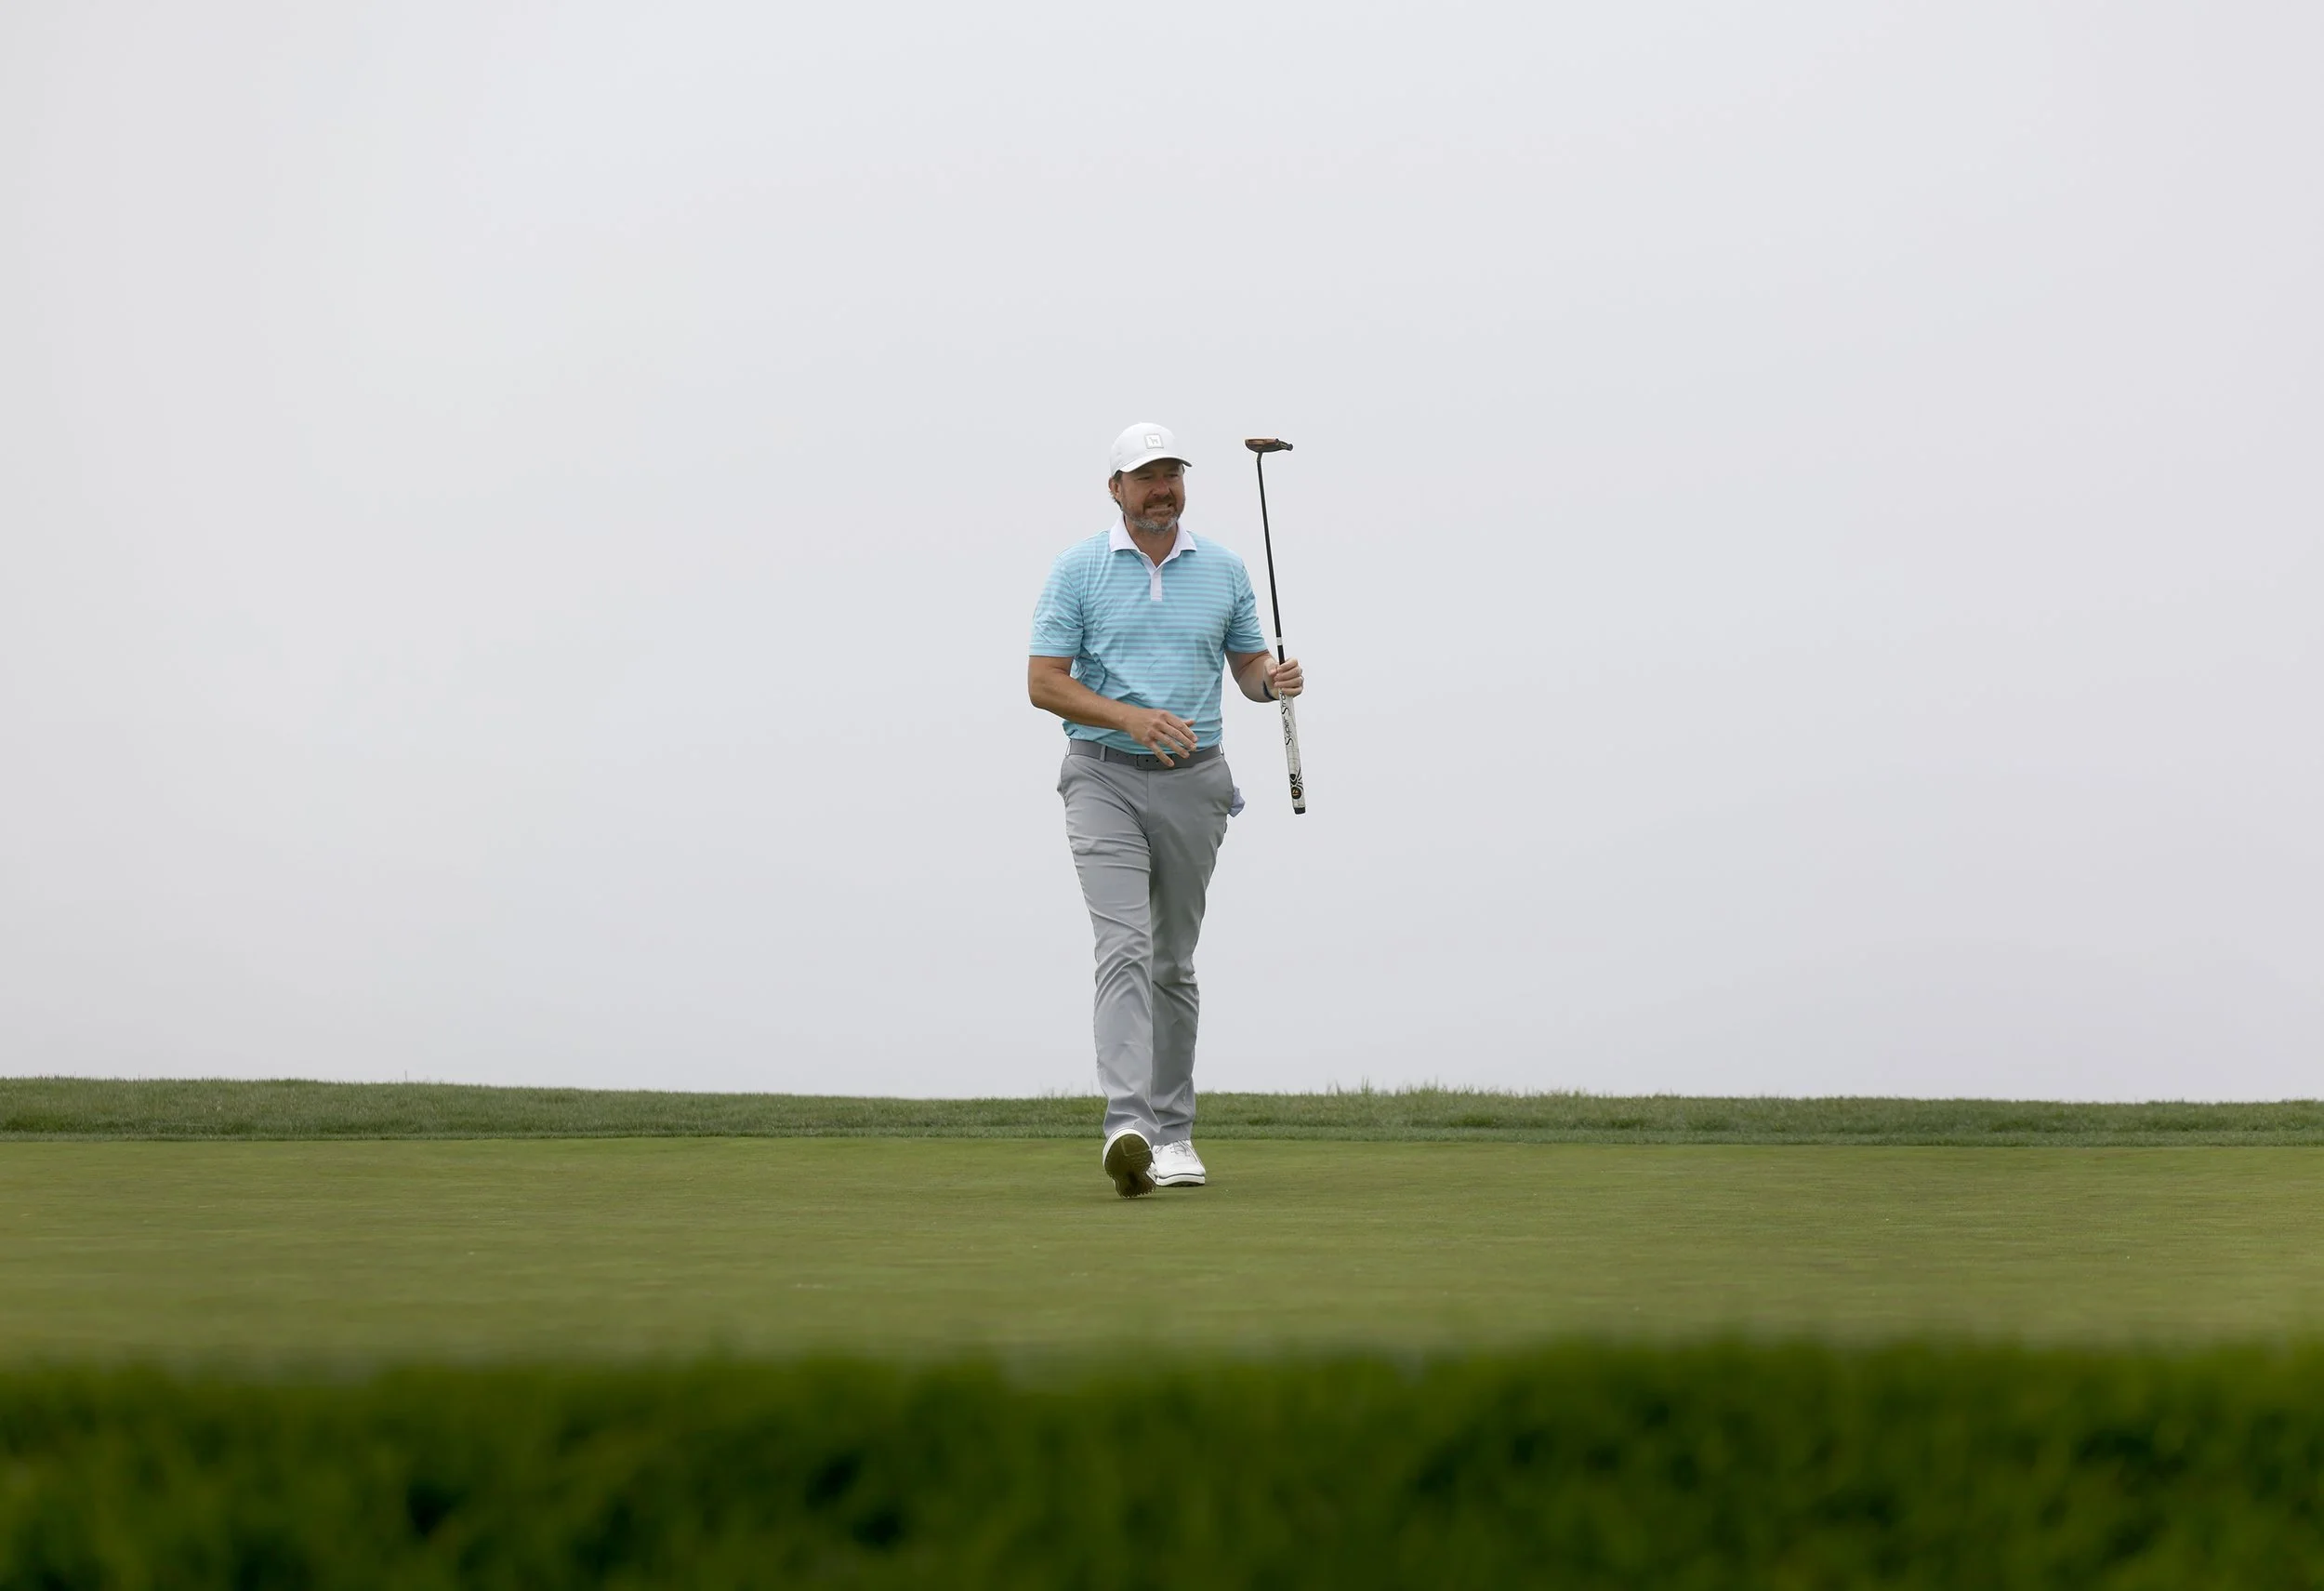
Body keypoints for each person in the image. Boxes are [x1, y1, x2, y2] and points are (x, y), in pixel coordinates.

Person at [1027, 422, 1305, 1198]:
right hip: (1102, 778)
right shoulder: (1078, 569)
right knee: (1123, 947)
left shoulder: (1223, 568)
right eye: (1146, 476)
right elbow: (1044, 681)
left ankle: (1175, 1132)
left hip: (1195, 780)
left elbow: (1247, 668)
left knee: (1171, 962)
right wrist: (1129, 717)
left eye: (1171, 474)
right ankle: (1129, 1125)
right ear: (1115, 488)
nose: (1161, 489)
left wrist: (1271, 681)